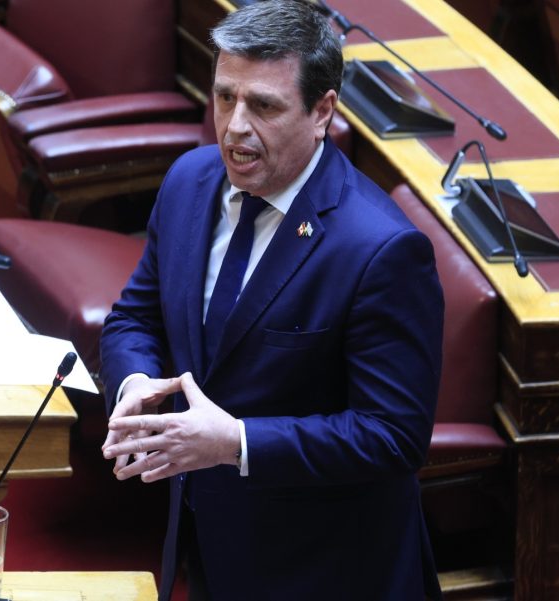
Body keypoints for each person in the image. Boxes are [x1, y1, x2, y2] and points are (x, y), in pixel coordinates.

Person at [98, 1, 445, 600]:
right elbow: (136, 317)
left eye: (263, 106)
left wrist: (236, 442)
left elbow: (392, 435)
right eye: (224, 97)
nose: (234, 126)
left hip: (323, 571)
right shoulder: (188, 183)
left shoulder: (380, 249)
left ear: (322, 112)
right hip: (208, 542)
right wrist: (135, 385)